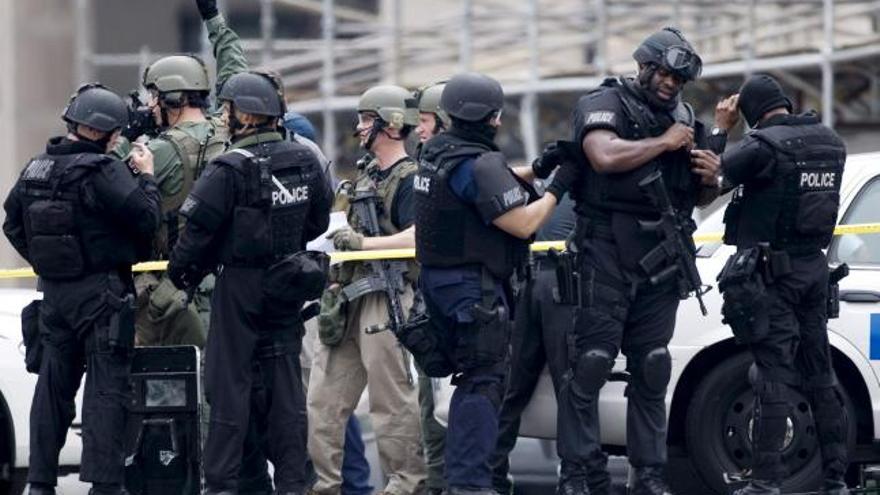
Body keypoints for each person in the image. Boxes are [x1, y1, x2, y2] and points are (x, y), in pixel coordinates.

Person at [563, 27, 729, 494]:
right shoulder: (605, 103)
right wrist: (665, 142)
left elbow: (698, 194)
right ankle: (578, 473)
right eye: (665, 75)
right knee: (592, 364)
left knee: (653, 367)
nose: (671, 85)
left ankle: (650, 475)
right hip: (605, 251)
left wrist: (713, 175)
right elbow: (602, 155)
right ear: (644, 66)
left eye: (679, 79)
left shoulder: (683, 117)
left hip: (661, 259)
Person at [407, 72, 575, 495]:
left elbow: (483, 183)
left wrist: (535, 171)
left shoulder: (437, 152)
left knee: (471, 378)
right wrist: (558, 186)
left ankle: (466, 480)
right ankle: (470, 483)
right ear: (495, 118)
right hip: (471, 289)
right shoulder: (478, 163)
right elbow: (523, 224)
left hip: (440, 284)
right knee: (482, 381)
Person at [167, 70, 333, 495]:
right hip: (288, 283)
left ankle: (222, 485)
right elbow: (317, 219)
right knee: (285, 388)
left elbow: (195, 237)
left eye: (228, 108)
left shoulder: (227, 168)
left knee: (228, 386)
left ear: (245, 115)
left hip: (238, 290)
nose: (225, 115)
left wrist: (182, 274)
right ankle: (294, 482)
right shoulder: (306, 161)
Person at [3, 84, 161, 495]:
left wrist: (49, 262)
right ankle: (105, 485)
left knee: (52, 388)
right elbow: (146, 220)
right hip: (102, 295)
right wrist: (146, 178)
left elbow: (13, 223)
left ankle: (40, 483)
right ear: (108, 133)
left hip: (55, 296)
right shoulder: (103, 170)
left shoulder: (36, 167)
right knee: (106, 390)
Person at [719, 74, 849, 495]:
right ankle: (835, 482)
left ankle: (765, 482)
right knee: (821, 374)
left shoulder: (762, 146)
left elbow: (716, 173)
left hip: (774, 274)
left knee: (772, 375)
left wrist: (724, 128)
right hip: (815, 269)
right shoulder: (831, 142)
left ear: (754, 112)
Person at [307, 84, 427, 495]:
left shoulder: (411, 178)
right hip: (348, 298)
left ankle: (406, 485)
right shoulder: (363, 177)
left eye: (366, 119)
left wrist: (364, 245)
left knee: (390, 403)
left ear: (391, 125)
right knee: (322, 405)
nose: (358, 127)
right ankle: (325, 486)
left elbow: (418, 236)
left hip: (387, 296)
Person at [116, 0, 248, 348]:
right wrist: (213, 19)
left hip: (173, 286)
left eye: (156, 96)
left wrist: (124, 135)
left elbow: (105, 181)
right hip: (226, 280)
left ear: (173, 97)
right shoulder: (230, 131)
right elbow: (235, 69)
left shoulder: (157, 152)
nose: (150, 105)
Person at [282, 110, 374, 495]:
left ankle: (350, 484)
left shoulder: (318, 187)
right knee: (325, 404)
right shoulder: (327, 185)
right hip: (312, 302)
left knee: (321, 401)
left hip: (312, 306)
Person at [489, 186, 580, 495]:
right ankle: (572, 477)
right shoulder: (590, 169)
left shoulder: (562, 174)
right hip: (561, 286)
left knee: (516, 388)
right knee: (569, 389)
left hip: (537, 281)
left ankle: (492, 475)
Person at [412, 81, 451, 495]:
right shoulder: (427, 165)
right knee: (430, 410)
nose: (417, 130)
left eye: (424, 122)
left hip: (468, 307)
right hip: (433, 302)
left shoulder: (470, 166)